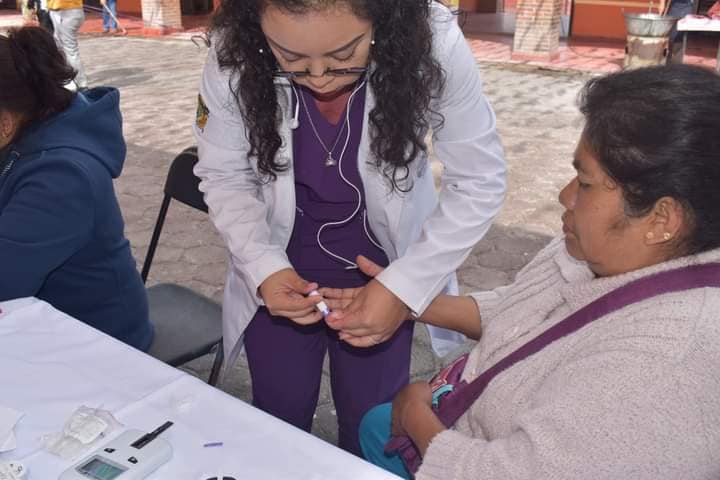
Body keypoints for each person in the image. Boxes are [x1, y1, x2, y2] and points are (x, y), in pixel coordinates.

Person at [343, 64, 720, 479]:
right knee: (375, 425)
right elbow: (536, 312)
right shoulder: (612, 251)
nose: (565, 196)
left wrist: (415, 415)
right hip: (463, 418)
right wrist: (409, 301)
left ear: (661, 219)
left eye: (586, 183)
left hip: (464, 451)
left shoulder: (661, 369)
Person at [193, 0, 506, 455]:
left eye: (342, 57)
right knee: (276, 418)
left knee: (373, 424)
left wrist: (403, 287)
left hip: (382, 275)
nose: (318, 77)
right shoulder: (234, 48)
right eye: (290, 57)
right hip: (283, 268)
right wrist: (262, 267)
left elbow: (479, 178)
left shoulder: (432, 39)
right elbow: (223, 174)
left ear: (384, 21)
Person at [0, 26, 153, 352]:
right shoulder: (26, 132)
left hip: (97, 341)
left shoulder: (62, 177)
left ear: (5, 123)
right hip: (41, 321)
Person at [47, 0, 87, 90]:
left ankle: (81, 84)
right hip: (59, 10)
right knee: (59, 47)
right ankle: (67, 79)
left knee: (69, 49)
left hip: (66, 10)